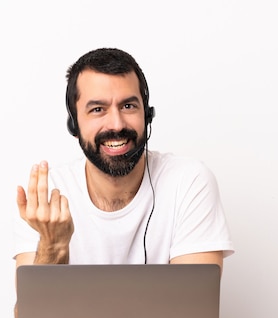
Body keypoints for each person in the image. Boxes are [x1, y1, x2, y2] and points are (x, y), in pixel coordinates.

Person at [14, 47, 234, 272]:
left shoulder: (188, 181)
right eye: (98, 109)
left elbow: (195, 304)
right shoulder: (48, 195)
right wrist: (53, 246)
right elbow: (28, 309)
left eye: (128, 106)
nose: (117, 125)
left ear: (147, 115)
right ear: (74, 125)